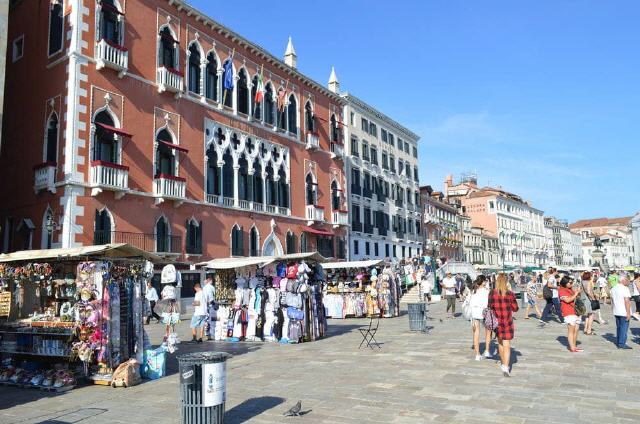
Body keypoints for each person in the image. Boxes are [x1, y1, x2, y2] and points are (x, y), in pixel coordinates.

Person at [488, 273, 519, 377]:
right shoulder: (510, 294)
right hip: (507, 321)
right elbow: (515, 308)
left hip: (497, 322)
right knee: (507, 345)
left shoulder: (492, 293)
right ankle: (506, 367)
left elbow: (489, 306)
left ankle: (503, 363)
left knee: (500, 343)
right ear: (506, 282)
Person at [470, 276, 492, 361]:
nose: (486, 282)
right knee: (488, 331)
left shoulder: (473, 291)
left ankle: (477, 354)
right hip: (485, 312)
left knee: (476, 333)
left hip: (475, 312)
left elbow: (471, 303)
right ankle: (487, 350)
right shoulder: (487, 291)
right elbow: (489, 303)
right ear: (483, 282)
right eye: (485, 281)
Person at [559, 276, 582, 352]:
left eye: (572, 282)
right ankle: (572, 347)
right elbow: (568, 300)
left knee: (576, 329)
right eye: (570, 283)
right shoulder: (561, 290)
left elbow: (576, 298)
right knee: (571, 330)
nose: (572, 284)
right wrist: (576, 294)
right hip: (568, 311)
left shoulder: (570, 289)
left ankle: (574, 345)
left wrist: (578, 293)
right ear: (565, 282)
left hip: (576, 311)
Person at [610, 276, 632, 349]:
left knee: (619, 327)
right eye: (626, 280)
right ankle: (622, 344)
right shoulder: (625, 289)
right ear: (623, 281)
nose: (628, 281)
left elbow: (612, 300)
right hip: (623, 311)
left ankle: (619, 341)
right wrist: (628, 313)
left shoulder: (613, 288)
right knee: (624, 328)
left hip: (616, 310)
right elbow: (627, 301)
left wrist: (613, 309)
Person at [202, 276, 216, 341]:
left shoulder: (204, 287)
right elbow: (215, 294)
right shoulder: (212, 287)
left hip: (205, 305)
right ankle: (212, 334)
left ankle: (207, 334)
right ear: (210, 281)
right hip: (211, 304)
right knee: (212, 320)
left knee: (206, 320)